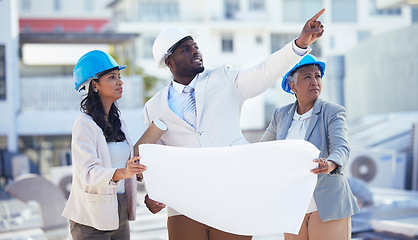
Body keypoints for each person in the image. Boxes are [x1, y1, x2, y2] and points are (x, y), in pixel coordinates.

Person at [139, 9, 325, 240]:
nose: (195, 51)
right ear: (169, 61)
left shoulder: (224, 78)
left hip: (232, 198)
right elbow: (154, 158)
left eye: (195, 46)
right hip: (184, 205)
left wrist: (299, 44)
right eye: (185, 49)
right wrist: (153, 192)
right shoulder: (154, 106)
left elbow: (265, 71)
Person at [260, 54, 360, 240]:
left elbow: (341, 147)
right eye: (307, 77)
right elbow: (262, 150)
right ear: (292, 86)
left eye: (317, 76)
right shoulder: (280, 115)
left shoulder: (332, 111)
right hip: (293, 206)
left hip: (327, 204)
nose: (315, 81)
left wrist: (330, 164)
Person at [62, 50, 147, 240]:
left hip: (120, 208)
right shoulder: (84, 124)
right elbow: (88, 173)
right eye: (111, 77)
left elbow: (124, 163)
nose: (120, 82)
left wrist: (135, 170)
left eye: (119, 76)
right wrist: (125, 172)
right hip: (90, 216)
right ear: (94, 85)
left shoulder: (119, 122)